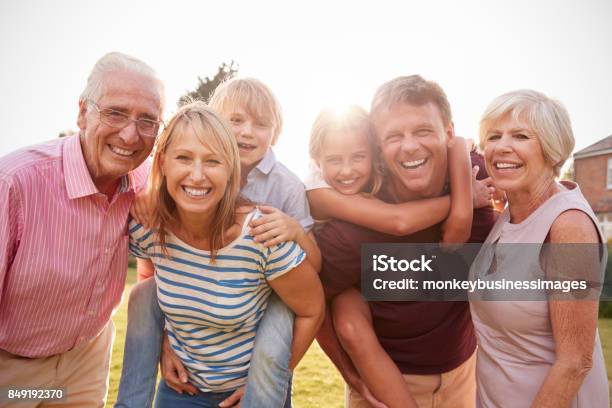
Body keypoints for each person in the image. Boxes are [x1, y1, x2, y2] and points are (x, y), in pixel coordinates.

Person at [116, 77, 319, 408]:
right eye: (235, 121)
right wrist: (165, 339)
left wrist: (294, 230)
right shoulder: (165, 206)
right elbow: (156, 265)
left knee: (276, 334)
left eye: (212, 162)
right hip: (199, 340)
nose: (246, 132)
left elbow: (312, 283)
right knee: (143, 294)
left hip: (273, 288)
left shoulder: (284, 190)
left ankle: (261, 391)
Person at [315, 75, 496, 408]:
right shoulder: (352, 229)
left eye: (423, 130)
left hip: (463, 376)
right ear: (379, 149)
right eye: (394, 136)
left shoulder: (477, 178)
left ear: (449, 133)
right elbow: (310, 303)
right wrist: (349, 373)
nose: (410, 146)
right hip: (387, 387)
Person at [0, 52, 164, 406]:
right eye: (115, 112)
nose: (131, 135)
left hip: (86, 360)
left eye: (148, 121)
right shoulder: (13, 184)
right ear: (82, 113)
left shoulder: (145, 183)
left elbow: (160, 259)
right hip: (11, 368)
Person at [470, 89, 609, 407]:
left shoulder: (568, 227)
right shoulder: (509, 213)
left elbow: (575, 363)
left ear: (552, 150)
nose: (502, 146)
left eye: (520, 135)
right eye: (493, 136)